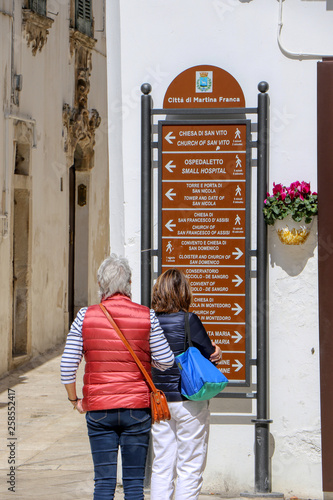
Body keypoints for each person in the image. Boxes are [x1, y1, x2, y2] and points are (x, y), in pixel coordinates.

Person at [60, 254, 174, 500]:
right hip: (137, 409)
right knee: (134, 486)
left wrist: (75, 401)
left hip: (99, 408)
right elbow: (166, 360)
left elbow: (67, 366)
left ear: (100, 284)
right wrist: (145, 360)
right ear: (129, 283)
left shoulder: (85, 316)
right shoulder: (146, 315)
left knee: (103, 483)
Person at [150, 268, 222, 500]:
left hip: (159, 401)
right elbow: (209, 353)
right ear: (183, 293)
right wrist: (217, 352)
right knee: (190, 465)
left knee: (162, 464)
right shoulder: (189, 320)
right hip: (188, 400)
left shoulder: (149, 321)